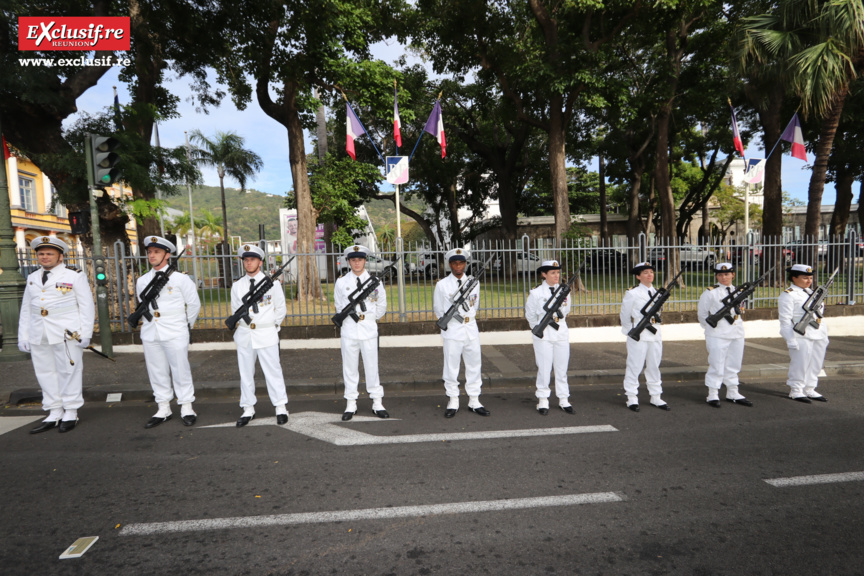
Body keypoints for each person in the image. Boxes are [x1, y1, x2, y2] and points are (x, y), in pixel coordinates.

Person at [18, 236, 95, 433]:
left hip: (66, 332)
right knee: (44, 372)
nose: (44, 257)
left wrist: (86, 333)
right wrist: (23, 336)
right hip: (39, 332)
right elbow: (27, 308)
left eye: (49, 254)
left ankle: (70, 410)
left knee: (69, 371)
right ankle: (54, 411)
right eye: (41, 254)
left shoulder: (74, 276)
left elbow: (86, 306)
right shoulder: (32, 277)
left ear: (60, 257)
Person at [135, 236, 202, 428]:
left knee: (180, 369)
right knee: (156, 370)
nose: (152, 255)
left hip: (175, 330)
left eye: (156, 252)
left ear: (167, 254)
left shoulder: (180, 279)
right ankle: (163, 407)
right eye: (149, 252)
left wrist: (184, 325)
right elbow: (143, 306)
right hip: (151, 331)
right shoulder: (143, 280)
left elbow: (194, 305)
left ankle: (186, 406)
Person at [229, 244, 289, 427]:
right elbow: (235, 311)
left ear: (260, 262)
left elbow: (280, 310)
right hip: (245, 334)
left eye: (252, 259)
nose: (248, 263)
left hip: (266, 333)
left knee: (273, 371)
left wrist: (272, 327)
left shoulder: (272, 284)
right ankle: (248, 408)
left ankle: (280, 407)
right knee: (246, 373)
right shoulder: (237, 286)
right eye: (246, 260)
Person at [433, 248, 490, 418]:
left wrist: (465, 317)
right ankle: (453, 400)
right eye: (455, 263)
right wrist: (452, 320)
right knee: (451, 366)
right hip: (452, 329)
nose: (458, 266)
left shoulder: (474, 283)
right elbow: (438, 309)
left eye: (462, 262)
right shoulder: (442, 285)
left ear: (465, 264)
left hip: (470, 328)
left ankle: (474, 400)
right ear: (450, 264)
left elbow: (475, 305)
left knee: (474, 364)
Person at [333, 245, 388, 421]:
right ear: (349, 261)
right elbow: (338, 305)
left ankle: (377, 402)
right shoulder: (341, 282)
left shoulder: (375, 282)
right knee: (349, 368)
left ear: (365, 260)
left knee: (372, 366)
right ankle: (351, 403)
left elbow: (382, 306)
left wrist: (368, 318)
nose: (357, 263)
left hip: (369, 329)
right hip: (349, 329)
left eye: (360, 259)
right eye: (353, 260)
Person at [697, 262, 752, 408]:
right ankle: (713, 393)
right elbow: (702, 315)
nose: (723, 277)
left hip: (736, 332)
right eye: (720, 275)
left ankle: (733, 391)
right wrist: (712, 328)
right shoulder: (710, 292)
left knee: (734, 364)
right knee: (716, 363)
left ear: (733, 275)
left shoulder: (739, 291)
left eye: (727, 274)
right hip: (717, 334)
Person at [524, 260, 573, 415]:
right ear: (544, 274)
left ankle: (563, 399)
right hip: (544, 335)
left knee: (562, 368)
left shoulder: (564, 291)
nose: (556, 275)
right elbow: (530, 315)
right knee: (544, 368)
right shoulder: (536, 293)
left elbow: (566, 311)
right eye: (552, 273)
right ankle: (543, 399)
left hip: (561, 333)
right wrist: (539, 328)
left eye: (558, 272)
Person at [619, 262, 669, 412]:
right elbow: (625, 315)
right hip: (639, 334)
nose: (650, 275)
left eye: (651, 272)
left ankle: (656, 396)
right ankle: (632, 397)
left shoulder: (657, 293)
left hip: (654, 332)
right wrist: (631, 332)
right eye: (646, 272)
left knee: (654, 365)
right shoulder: (632, 293)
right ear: (638, 276)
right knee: (635, 366)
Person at [779, 263, 830, 403]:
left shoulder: (812, 293)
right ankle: (796, 390)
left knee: (816, 363)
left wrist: (824, 335)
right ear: (794, 278)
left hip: (818, 333)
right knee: (800, 363)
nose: (809, 281)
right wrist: (790, 339)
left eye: (810, 278)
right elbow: (785, 320)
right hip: (800, 334)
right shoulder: (788, 295)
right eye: (805, 278)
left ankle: (810, 388)